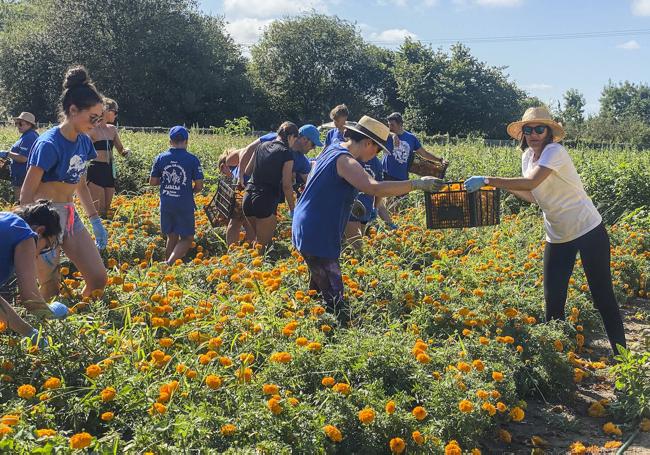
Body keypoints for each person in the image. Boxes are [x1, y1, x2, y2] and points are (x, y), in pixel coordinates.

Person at [464, 106, 626, 355]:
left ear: (549, 132)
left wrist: (488, 180)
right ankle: (558, 358)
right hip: (558, 235)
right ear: (523, 134)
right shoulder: (527, 157)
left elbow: (531, 182)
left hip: (587, 230)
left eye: (539, 129)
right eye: (528, 130)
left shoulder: (555, 151)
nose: (533, 134)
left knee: (602, 295)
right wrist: (502, 187)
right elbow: (532, 194)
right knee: (553, 301)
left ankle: (622, 357)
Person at [292, 116, 443, 325]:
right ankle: (335, 332)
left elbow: (317, 178)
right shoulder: (346, 160)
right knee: (335, 294)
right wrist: (417, 184)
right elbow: (374, 187)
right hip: (318, 229)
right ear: (367, 143)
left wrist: (343, 199)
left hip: (307, 222)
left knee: (318, 282)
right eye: (378, 149)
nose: (377, 155)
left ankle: (310, 320)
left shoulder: (333, 148)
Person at [20, 66, 109, 300]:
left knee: (98, 279)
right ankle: (50, 329)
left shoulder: (84, 143)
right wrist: (32, 233)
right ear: (73, 110)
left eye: (100, 118)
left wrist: (95, 219)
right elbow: (26, 193)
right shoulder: (48, 144)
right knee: (50, 288)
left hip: (69, 216)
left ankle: (80, 316)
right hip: (44, 219)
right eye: (93, 117)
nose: (97, 123)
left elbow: (79, 184)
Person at [0, 201, 69, 346]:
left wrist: (28, 332)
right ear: (40, 231)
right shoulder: (25, 234)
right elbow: (30, 299)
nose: (38, 256)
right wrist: (50, 314)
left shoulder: (6, 219)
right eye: (45, 247)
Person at [150, 126, 204, 265]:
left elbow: (153, 182)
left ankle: (167, 269)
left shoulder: (160, 158)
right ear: (186, 141)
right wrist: (188, 191)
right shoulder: (192, 159)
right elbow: (199, 186)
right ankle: (169, 264)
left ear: (170, 141)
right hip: (184, 204)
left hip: (166, 203)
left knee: (172, 236)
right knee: (187, 238)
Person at [242, 122, 298, 247]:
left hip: (248, 196)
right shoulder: (286, 153)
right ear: (291, 137)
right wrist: (293, 209)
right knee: (262, 247)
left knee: (257, 242)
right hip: (264, 199)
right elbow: (287, 185)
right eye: (295, 139)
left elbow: (247, 170)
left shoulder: (261, 146)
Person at [87, 98, 131, 218]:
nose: (116, 115)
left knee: (107, 210)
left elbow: (120, 150)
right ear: (105, 110)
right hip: (96, 169)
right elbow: (83, 151)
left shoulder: (112, 129)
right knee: (99, 211)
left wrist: (126, 152)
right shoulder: (91, 129)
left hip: (109, 170)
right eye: (114, 112)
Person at [382, 112, 444, 181]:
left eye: (392, 125)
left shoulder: (411, 138)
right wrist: (393, 135)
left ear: (400, 124)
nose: (390, 127)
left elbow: (424, 154)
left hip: (402, 178)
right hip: (386, 176)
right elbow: (379, 129)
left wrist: (439, 160)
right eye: (389, 125)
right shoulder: (386, 135)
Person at [0, 112, 39, 201]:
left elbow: (23, 158)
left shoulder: (29, 137)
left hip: (23, 177)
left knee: (21, 203)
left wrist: (7, 154)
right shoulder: (27, 135)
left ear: (29, 124)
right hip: (21, 176)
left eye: (20, 123)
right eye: (16, 123)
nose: (18, 126)